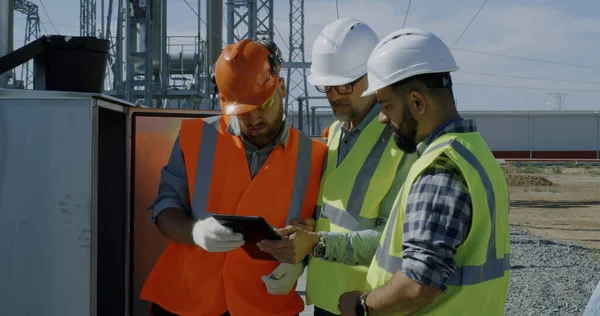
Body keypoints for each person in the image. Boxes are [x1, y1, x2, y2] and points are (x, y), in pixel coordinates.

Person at [139, 38, 327, 316]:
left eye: (262, 106)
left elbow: (321, 233)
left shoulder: (316, 157)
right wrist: (195, 232)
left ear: (282, 88)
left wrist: (299, 262)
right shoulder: (195, 138)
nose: (252, 120)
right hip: (186, 301)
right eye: (243, 112)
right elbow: (164, 210)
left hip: (264, 304)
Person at [337, 27, 511, 316]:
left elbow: (418, 284)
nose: (382, 118)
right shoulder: (474, 152)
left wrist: (361, 306)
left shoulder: (440, 170)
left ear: (417, 103)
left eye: (387, 105)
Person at [257, 18, 416, 316]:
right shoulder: (336, 134)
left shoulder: (400, 141)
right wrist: (309, 230)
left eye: (343, 84)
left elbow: (394, 239)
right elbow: (335, 215)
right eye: (326, 85)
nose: (332, 94)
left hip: (370, 301)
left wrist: (316, 244)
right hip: (328, 299)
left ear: (374, 75)